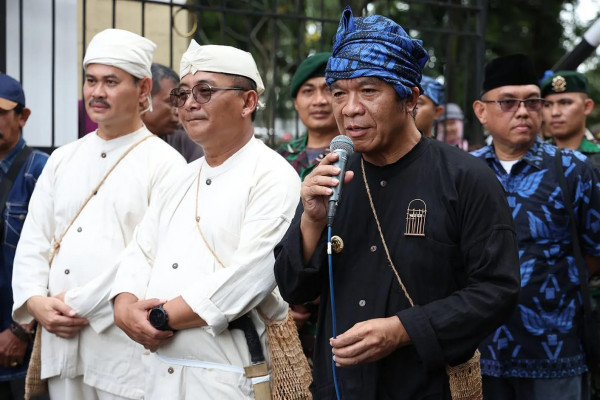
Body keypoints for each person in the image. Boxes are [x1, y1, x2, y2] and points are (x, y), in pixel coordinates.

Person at [273, 7, 520, 399]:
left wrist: (403, 330)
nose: (349, 108)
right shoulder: (331, 176)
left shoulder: (465, 178)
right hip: (339, 387)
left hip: (427, 386)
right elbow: (292, 289)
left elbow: (496, 290)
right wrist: (312, 223)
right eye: (340, 93)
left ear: (411, 99)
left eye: (369, 91)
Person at [110, 41, 301, 399]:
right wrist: (123, 308)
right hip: (156, 374)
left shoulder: (274, 175)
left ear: (247, 102)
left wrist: (159, 318)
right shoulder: (179, 177)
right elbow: (141, 251)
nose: (190, 103)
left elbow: (247, 279)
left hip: (229, 376)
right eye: (182, 94)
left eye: (206, 91)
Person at [11, 29, 186, 399]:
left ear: (142, 90)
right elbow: (35, 238)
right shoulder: (62, 158)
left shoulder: (166, 164)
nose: (97, 92)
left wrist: (76, 306)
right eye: (91, 81)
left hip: (119, 343)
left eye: (110, 81)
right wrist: (33, 300)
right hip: (59, 336)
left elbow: (150, 252)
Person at [471, 54, 600, 400]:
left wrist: (548, 284)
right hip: (480, 354)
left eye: (532, 101)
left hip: (556, 356)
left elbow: (594, 251)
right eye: (508, 102)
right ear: (481, 111)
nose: (523, 111)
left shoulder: (573, 170)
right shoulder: (464, 172)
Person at [0, 74, 49, 400]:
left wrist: (21, 328)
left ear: (23, 116)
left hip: (18, 338)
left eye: (0, 112)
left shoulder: (40, 170)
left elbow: (52, 256)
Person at [278, 52, 338, 180]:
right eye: (308, 91)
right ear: (296, 103)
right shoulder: (279, 158)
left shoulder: (355, 154)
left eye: (328, 90)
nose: (319, 100)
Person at [142, 63, 204, 163]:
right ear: (144, 98)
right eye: (170, 102)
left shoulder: (185, 140)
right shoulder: (116, 140)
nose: (177, 111)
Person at [541, 70, 600, 167]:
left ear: (587, 106)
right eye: (548, 105)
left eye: (565, 103)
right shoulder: (532, 158)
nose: (554, 112)